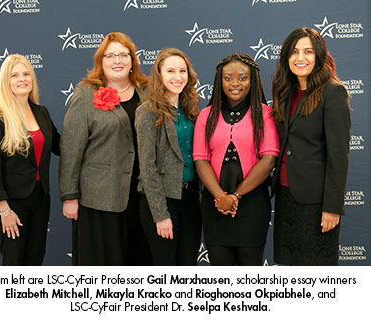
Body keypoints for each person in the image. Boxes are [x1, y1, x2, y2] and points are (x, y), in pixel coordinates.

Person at [59, 32, 151, 265]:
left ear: (133, 61)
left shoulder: (148, 91)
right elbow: (71, 147)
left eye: (123, 55)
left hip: (143, 195)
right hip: (99, 196)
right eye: (110, 55)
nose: (117, 60)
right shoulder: (86, 92)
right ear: (101, 62)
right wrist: (69, 195)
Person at [271, 28, 351, 266]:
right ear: (287, 58)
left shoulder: (333, 92)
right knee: (290, 275)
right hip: (286, 197)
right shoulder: (285, 92)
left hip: (317, 204)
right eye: (294, 52)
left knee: (318, 276)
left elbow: (338, 157)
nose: (300, 58)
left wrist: (332, 208)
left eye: (307, 51)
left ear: (318, 56)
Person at [193, 53, 279, 266]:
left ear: (253, 81)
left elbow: (268, 159)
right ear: (219, 81)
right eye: (228, 78)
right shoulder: (206, 115)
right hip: (215, 204)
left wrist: (235, 196)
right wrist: (220, 197)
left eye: (242, 78)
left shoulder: (265, 114)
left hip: (252, 205)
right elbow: (201, 159)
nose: (235, 83)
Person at [0, 54, 60, 265]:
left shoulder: (41, 112)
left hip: (40, 198)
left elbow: (62, 147)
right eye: (14, 75)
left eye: (26, 74)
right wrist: (4, 210)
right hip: (11, 203)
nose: (22, 79)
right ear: (6, 82)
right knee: (15, 262)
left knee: (35, 259)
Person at [135, 48, 201, 265]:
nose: (178, 77)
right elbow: (147, 166)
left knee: (188, 265)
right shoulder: (147, 111)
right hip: (163, 201)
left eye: (182, 71)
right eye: (171, 71)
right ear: (160, 75)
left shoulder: (191, 109)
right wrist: (161, 214)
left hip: (191, 200)